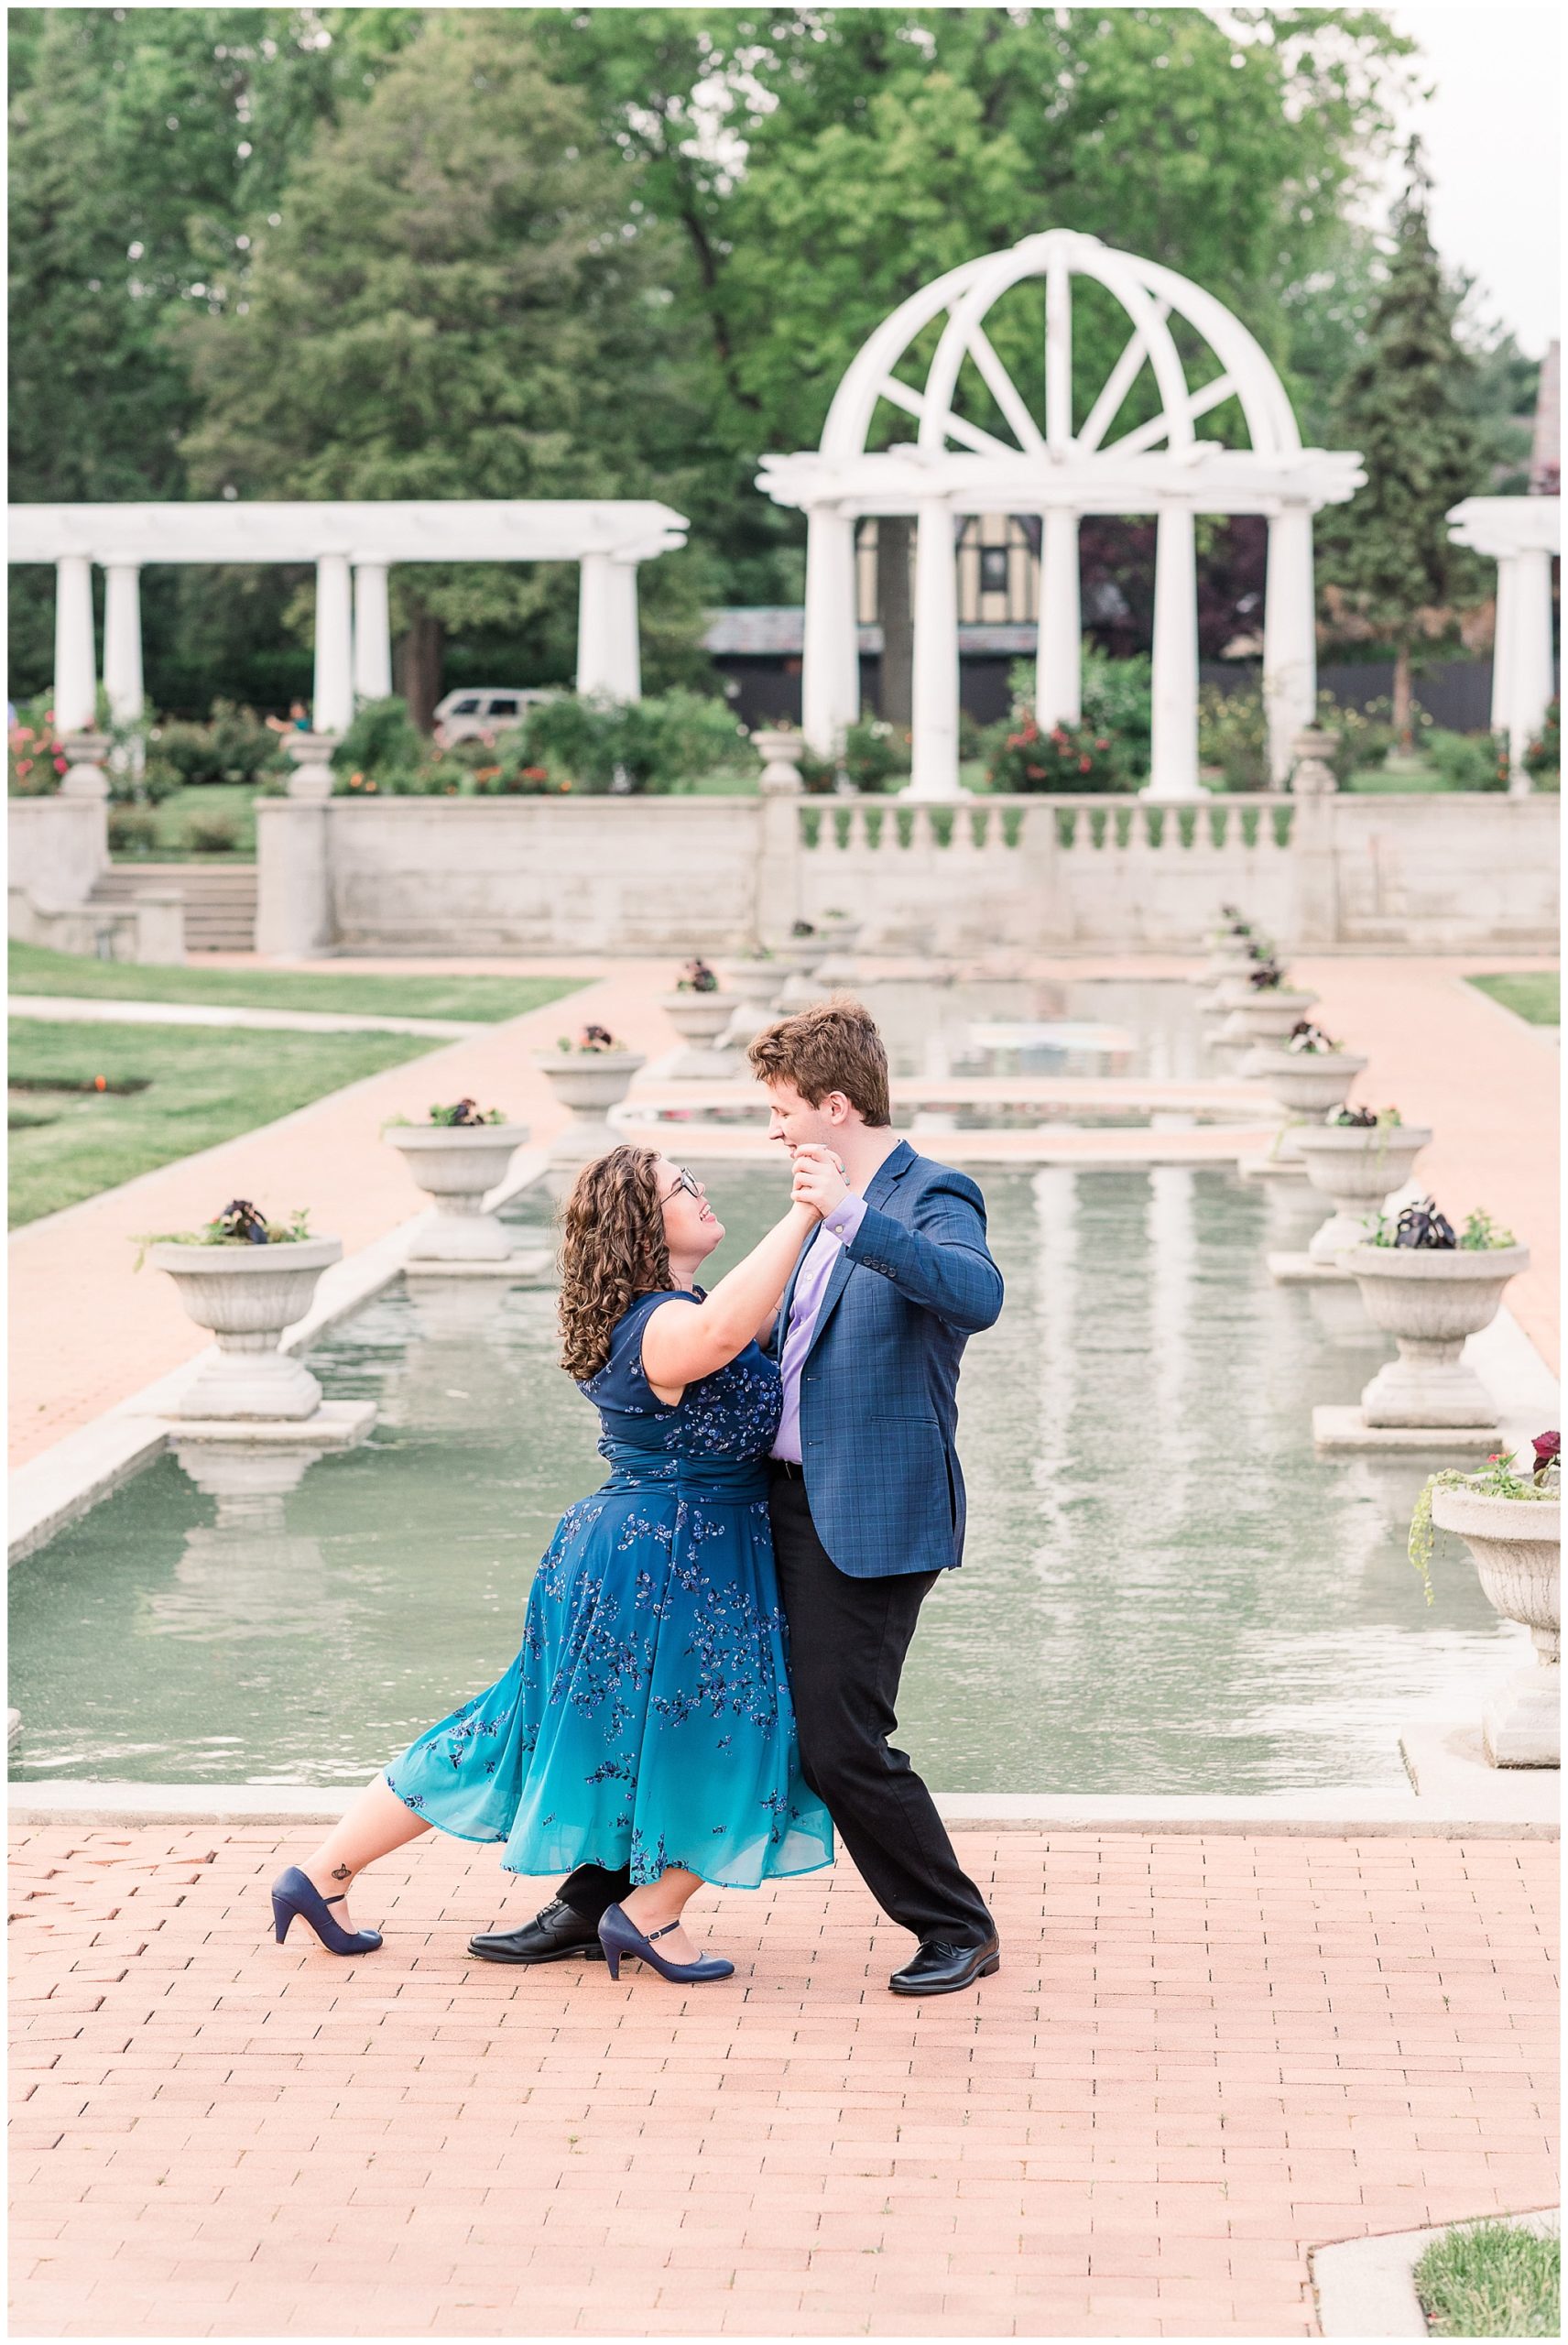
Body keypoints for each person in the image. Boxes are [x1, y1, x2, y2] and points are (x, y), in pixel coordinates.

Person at [474, 999, 1005, 1997]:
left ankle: (954, 1925)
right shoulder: (807, 1206)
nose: (773, 1130)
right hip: (769, 1509)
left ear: (835, 1105)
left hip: (875, 1517)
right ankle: (598, 1901)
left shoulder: (931, 1194)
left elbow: (976, 1296)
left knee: (838, 1737)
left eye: (781, 1109)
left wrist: (850, 1217)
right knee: (690, 1705)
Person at [270, 1147, 833, 1981]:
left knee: (527, 1724)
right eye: (683, 1187)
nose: (700, 1189)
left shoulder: (679, 1306)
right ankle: (648, 1915)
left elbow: (751, 1317)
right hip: (665, 1556)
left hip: (664, 1550)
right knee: (732, 1729)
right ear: (645, 1226)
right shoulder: (662, 1326)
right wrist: (807, 1210)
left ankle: (321, 1875)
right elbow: (722, 1336)